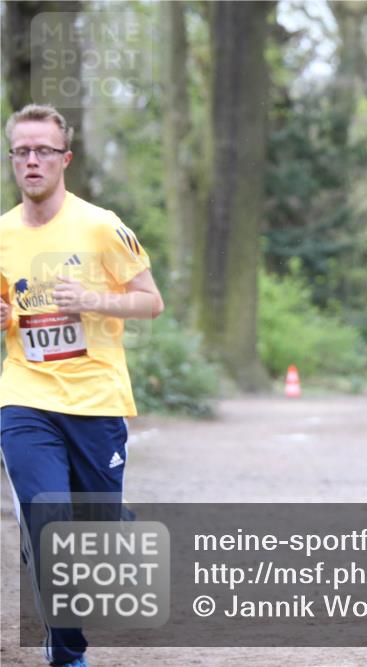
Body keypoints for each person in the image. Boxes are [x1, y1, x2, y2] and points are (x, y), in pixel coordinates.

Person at [0, 104, 164, 667]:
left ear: (64, 158)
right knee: (48, 522)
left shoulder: (100, 225)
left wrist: (92, 299)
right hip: (25, 396)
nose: (32, 161)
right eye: (21, 151)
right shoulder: (0, 234)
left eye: (43, 150)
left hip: (95, 400)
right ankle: (67, 652)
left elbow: (151, 301)